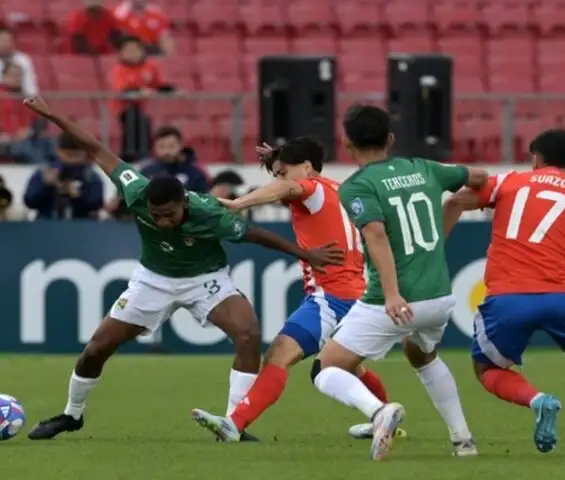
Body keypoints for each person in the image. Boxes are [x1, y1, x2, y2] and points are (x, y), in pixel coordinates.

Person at [22, 96, 344, 441]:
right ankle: (72, 415)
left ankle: (233, 424)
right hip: (153, 280)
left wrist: (304, 254)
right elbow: (95, 147)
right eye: (155, 214)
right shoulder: (135, 188)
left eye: (169, 215)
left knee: (248, 334)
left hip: (206, 280)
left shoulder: (206, 211)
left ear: (183, 204)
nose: (162, 221)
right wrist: (54, 114)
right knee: (97, 348)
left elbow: (256, 235)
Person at [190, 137, 404, 442]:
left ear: (306, 168)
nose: (279, 180)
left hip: (331, 297)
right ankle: (385, 417)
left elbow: (292, 186)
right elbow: (291, 180)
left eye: (283, 172)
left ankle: (234, 424)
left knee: (279, 355)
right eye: (276, 174)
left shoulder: (312, 188)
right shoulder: (337, 188)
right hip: (356, 293)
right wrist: (278, 158)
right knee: (348, 366)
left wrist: (239, 203)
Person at [442, 129, 565, 453]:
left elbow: (454, 201)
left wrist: (434, 253)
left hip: (507, 298)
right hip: (562, 299)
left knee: (487, 369)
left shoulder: (507, 182)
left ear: (536, 158)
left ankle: (538, 400)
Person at [310, 104, 488, 460]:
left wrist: (391, 294)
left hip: (391, 301)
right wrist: (455, 205)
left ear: (345, 142)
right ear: (390, 139)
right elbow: (480, 178)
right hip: (438, 298)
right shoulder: (423, 168)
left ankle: (379, 412)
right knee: (422, 356)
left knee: (326, 368)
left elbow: (375, 234)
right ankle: (463, 440)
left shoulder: (357, 186)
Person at [111, 35, 167, 163]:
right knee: (134, 120)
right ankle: (129, 157)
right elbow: (122, 89)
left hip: (146, 108)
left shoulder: (150, 66)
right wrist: (140, 92)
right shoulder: (120, 69)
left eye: (135, 49)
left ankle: (148, 155)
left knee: (145, 122)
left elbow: (159, 84)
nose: (133, 54)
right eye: (128, 50)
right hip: (125, 109)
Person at [23, 133, 104, 219]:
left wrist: (78, 197)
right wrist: (47, 187)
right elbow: (29, 202)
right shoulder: (44, 172)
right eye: (68, 155)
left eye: (77, 156)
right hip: (47, 225)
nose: (72, 160)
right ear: (58, 151)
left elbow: (97, 205)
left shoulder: (90, 176)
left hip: (81, 226)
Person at [0, 63, 50, 164]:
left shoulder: (26, 97)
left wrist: (29, 131)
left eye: (19, 75)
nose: (17, 78)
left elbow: (40, 120)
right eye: (13, 75)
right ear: (4, 76)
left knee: (50, 144)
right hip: (5, 141)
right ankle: (42, 172)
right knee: (31, 152)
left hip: (26, 140)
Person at [0, 27, 38, 96]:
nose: (5, 44)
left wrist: (33, 99)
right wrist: (4, 82)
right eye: (2, 40)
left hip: (19, 98)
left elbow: (29, 84)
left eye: (8, 40)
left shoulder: (22, 60)